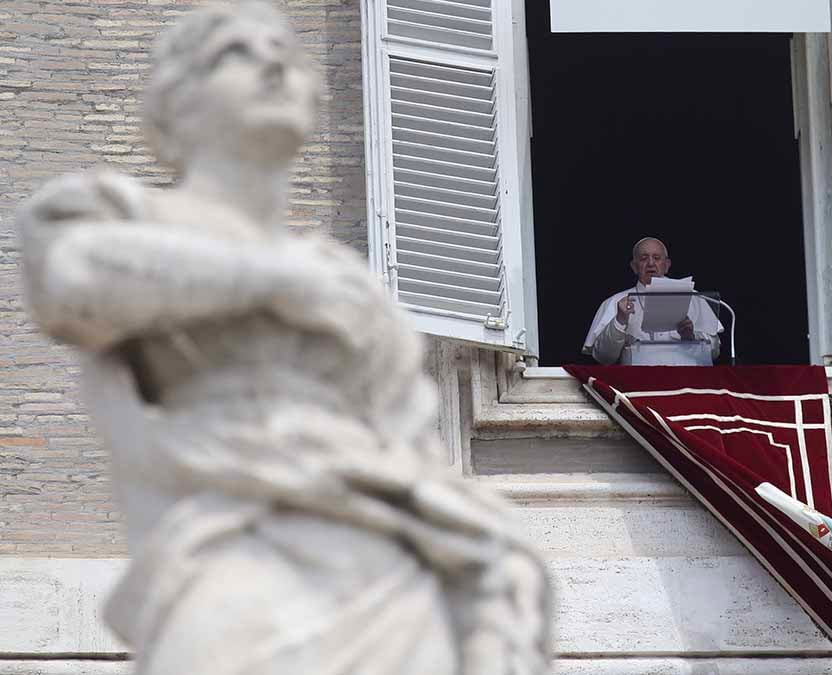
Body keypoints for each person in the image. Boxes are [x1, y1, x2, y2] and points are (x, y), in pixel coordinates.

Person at [17, 4, 550, 674]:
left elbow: (416, 455)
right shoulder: (124, 216)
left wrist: (490, 572)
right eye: (235, 52)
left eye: (286, 53)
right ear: (173, 105)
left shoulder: (352, 289)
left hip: (391, 585)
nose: (273, 63)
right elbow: (71, 281)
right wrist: (273, 279)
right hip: (233, 560)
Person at [583, 236, 723, 365]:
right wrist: (620, 321)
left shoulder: (694, 297)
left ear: (667, 265)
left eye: (656, 258)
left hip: (687, 383)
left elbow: (715, 352)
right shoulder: (616, 302)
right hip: (639, 385)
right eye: (644, 258)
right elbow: (603, 357)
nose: (650, 263)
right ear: (634, 266)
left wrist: (690, 337)